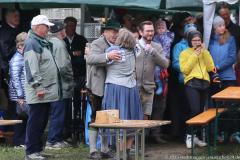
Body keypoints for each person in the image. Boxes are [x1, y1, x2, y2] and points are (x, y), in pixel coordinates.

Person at [24, 15, 60, 160]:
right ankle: (31, 152)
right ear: (38, 27)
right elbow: (31, 67)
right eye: (46, 26)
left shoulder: (41, 41)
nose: (48, 28)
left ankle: (37, 150)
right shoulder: (32, 43)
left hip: (45, 91)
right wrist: (38, 86)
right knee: (36, 122)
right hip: (38, 91)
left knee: (42, 121)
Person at [102, 28, 143, 158]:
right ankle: (127, 150)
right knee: (131, 118)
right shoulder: (135, 50)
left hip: (115, 87)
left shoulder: (112, 51)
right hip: (131, 88)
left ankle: (119, 152)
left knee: (116, 119)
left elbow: (101, 61)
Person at [85, 19, 121, 159]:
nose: (115, 34)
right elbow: (90, 59)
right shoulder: (97, 43)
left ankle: (105, 149)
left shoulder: (119, 43)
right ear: (105, 32)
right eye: (112, 31)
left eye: (117, 31)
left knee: (108, 117)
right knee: (95, 117)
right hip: (97, 87)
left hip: (112, 86)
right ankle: (93, 150)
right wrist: (107, 56)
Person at [180, 30, 215, 149]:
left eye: (198, 40)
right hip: (191, 83)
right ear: (190, 41)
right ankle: (189, 136)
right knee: (194, 109)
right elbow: (185, 70)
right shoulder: (185, 53)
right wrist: (195, 54)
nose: (196, 42)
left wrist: (204, 52)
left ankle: (197, 137)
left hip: (204, 83)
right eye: (194, 40)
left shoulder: (205, 51)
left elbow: (211, 67)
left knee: (201, 111)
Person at [45, 21, 74, 149]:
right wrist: (70, 79)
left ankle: (55, 138)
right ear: (62, 31)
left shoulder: (48, 42)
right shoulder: (59, 44)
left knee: (55, 113)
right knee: (59, 113)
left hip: (52, 84)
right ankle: (53, 140)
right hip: (61, 85)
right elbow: (63, 66)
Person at [136, 21, 170, 120]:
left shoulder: (157, 46)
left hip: (148, 88)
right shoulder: (134, 45)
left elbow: (165, 64)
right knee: (133, 117)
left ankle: (143, 136)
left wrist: (153, 51)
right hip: (133, 87)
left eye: (152, 31)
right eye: (147, 31)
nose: (150, 33)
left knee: (145, 117)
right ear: (141, 32)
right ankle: (135, 136)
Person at [63, 16, 88, 140]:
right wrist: (73, 55)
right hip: (66, 77)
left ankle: (78, 125)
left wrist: (73, 57)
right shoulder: (62, 40)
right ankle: (67, 130)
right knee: (66, 104)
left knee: (78, 102)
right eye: (69, 25)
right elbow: (64, 60)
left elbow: (84, 59)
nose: (71, 28)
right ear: (65, 26)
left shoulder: (81, 39)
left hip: (79, 77)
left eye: (73, 25)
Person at [8, 32, 28, 148]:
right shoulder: (16, 59)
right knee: (20, 119)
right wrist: (20, 96)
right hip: (19, 96)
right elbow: (15, 79)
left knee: (23, 118)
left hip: (23, 94)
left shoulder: (22, 57)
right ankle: (19, 141)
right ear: (20, 45)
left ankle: (23, 141)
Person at [217, 2, 240, 86]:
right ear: (218, 16)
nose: (225, 16)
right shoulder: (214, 31)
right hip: (217, 68)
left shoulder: (237, 29)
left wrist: (237, 62)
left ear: (230, 13)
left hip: (234, 67)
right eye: (223, 14)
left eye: (227, 14)